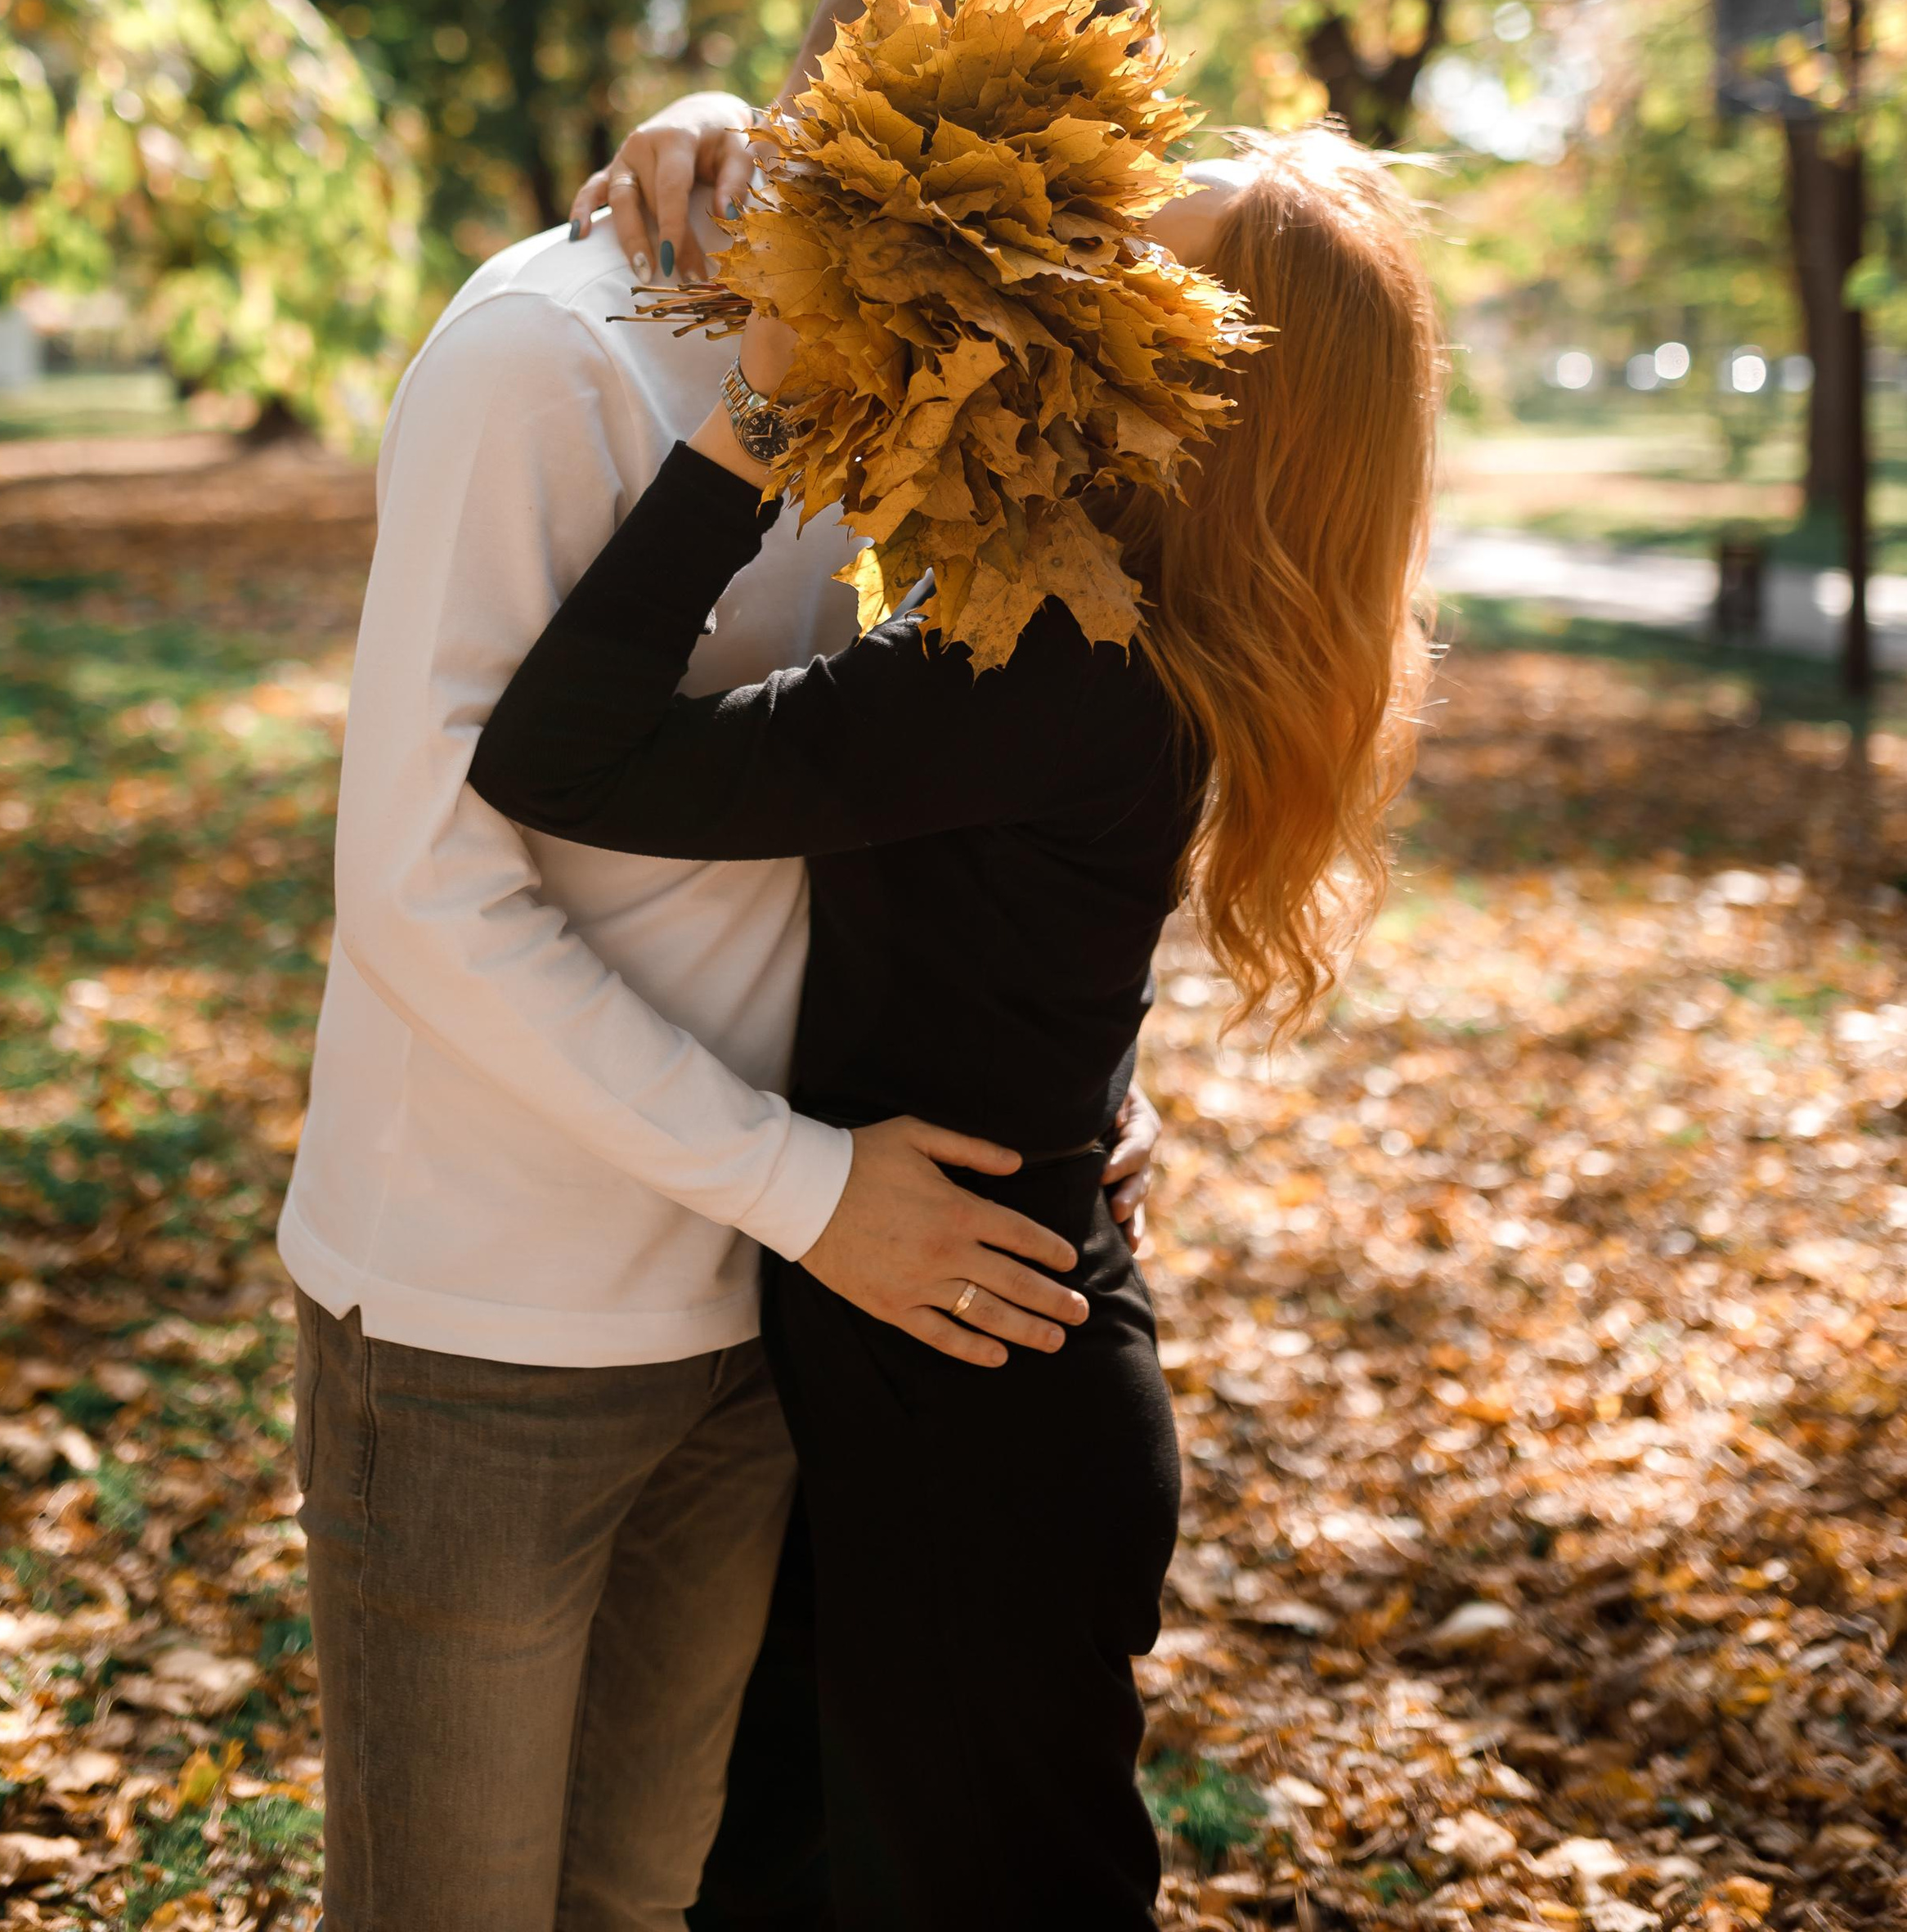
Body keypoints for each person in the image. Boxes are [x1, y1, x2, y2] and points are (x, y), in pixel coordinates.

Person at [278, 0, 1163, 1932]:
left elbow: (930, 775)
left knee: (637, 1908)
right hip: (492, 1321)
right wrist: (807, 1192)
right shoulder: (547, 356)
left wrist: (1077, 1081)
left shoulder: (944, 388)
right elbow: (416, 889)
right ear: (853, 89)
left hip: (760, 1318)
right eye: (1008, 149)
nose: (1055, 225)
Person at [469, 116, 1447, 1930]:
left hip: (973, 1409)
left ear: (1216, 401)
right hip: (958, 1360)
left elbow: (558, 756)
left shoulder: (1054, 662)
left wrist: (754, 417)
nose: (1079, 298)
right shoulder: (1111, 629)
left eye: (1135, 283)